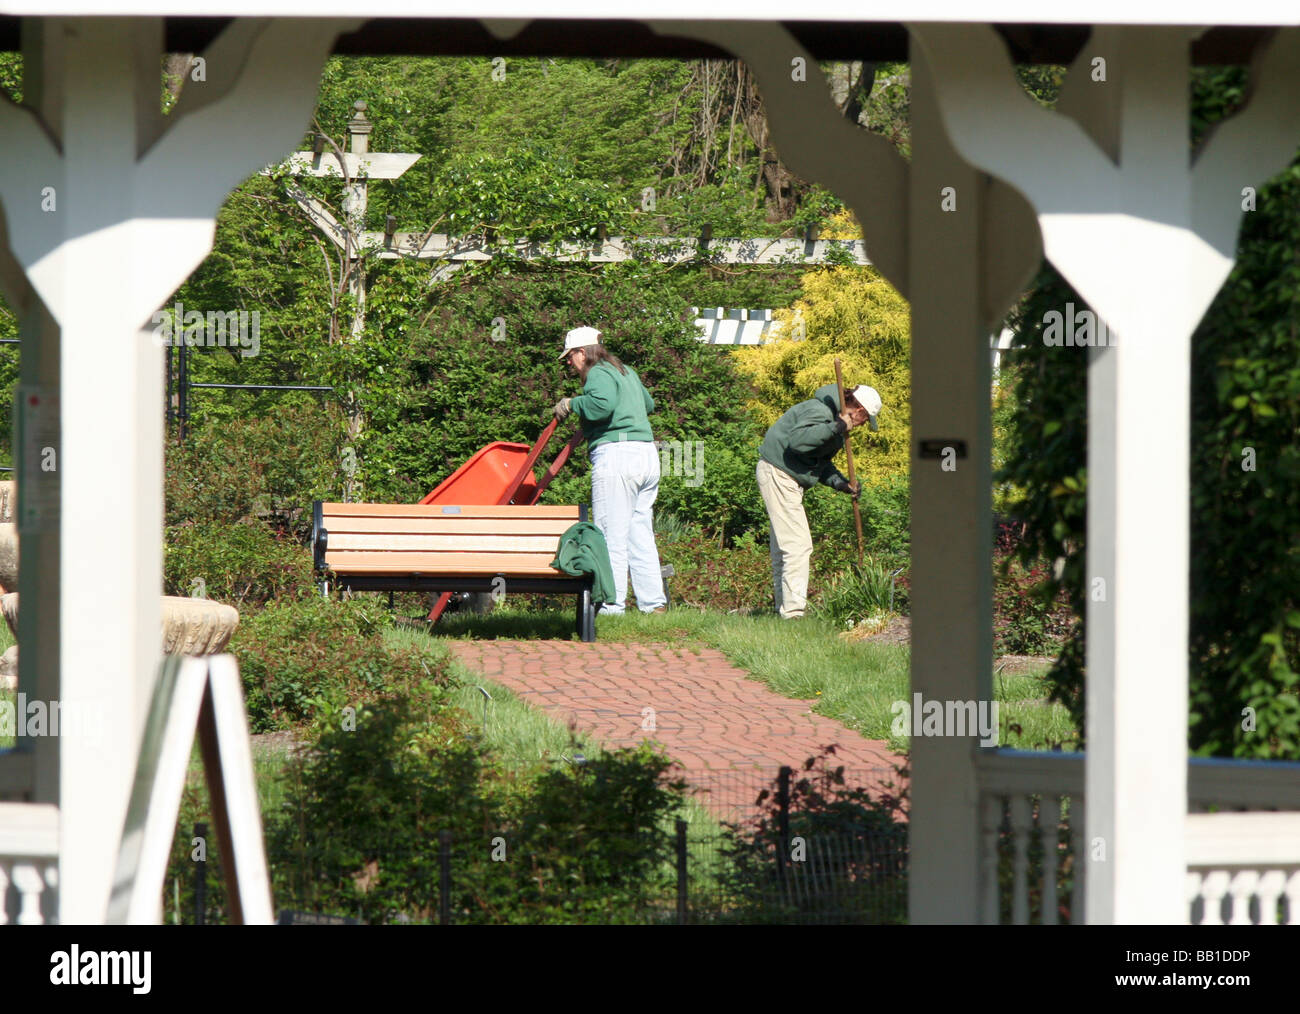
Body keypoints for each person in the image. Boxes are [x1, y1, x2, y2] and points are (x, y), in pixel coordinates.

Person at [553, 326, 667, 615]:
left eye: (570, 356)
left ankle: (612, 606)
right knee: (640, 534)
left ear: (582, 352)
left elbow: (601, 406)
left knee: (610, 535)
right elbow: (649, 404)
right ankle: (653, 605)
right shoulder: (624, 369)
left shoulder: (598, 373)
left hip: (618, 457)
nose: (568, 363)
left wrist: (571, 403)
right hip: (645, 455)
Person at [756, 382, 882, 619]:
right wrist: (836, 427)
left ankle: (783, 609)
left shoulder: (835, 422)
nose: (863, 425)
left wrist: (841, 483)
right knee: (798, 546)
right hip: (779, 473)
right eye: (865, 419)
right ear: (859, 410)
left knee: (784, 548)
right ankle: (793, 614)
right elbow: (799, 442)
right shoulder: (821, 412)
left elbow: (818, 460)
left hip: (784, 477)